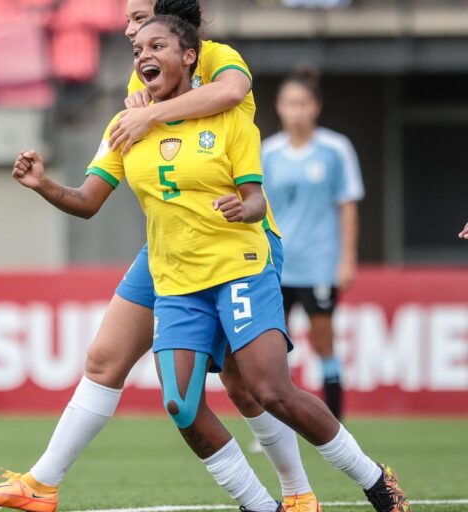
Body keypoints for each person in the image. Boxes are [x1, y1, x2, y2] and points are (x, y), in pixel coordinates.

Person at [0, 1, 319, 511]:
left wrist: (150, 110)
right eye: (133, 30)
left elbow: (234, 93)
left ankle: (298, 494)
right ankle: (41, 483)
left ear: (180, 34)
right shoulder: (134, 104)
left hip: (234, 240)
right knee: (106, 360)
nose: (131, 31)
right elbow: (89, 198)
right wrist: (47, 182)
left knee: (250, 388)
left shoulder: (215, 56)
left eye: (140, 19)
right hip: (166, 249)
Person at [107, 16, 407, 511]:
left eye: (152, 38)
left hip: (245, 262)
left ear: (190, 54)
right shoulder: (130, 121)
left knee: (269, 389)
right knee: (184, 403)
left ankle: (375, 478)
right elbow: (90, 194)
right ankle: (266, 504)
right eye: (136, 43)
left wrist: (244, 208)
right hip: (179, 278)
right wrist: (45, 185)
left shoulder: (230, 100)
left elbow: (256, 199)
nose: (139, 48)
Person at [261, 69, 364, 420]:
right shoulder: (268, 152)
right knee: (272, 348)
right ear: (279, 107)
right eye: (290, 103)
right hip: (276, 264)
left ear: (315, 107)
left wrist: (347, 259)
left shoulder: (336, 149)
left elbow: (348, 204)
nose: (297, 111)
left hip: (319, 262)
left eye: (303, 103)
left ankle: (336, 423)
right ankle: (279, 427)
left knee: (323, 343)